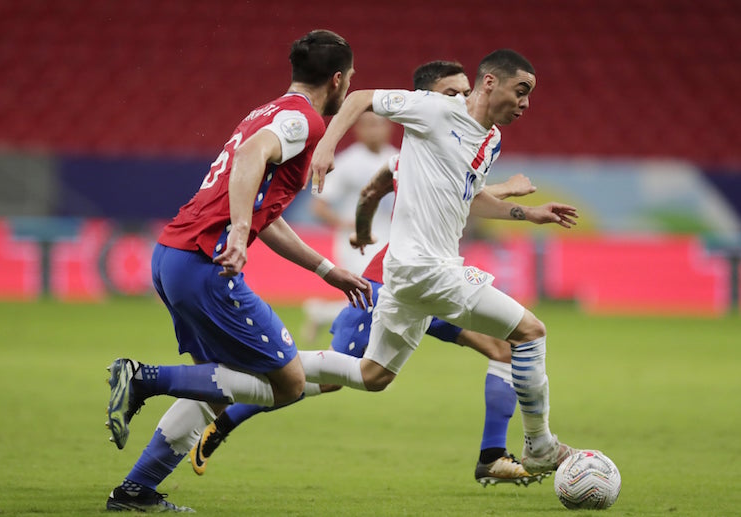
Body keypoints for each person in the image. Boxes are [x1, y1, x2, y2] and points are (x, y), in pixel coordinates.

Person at [188, 62, 549, 487]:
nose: (459, 99)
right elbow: (373, 191)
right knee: (336, 379)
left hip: (430, 278)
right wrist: (360, 236)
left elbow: (457, 194)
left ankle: (491, 456)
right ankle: (229, 410)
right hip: (390, 281)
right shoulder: (420, 140)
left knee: (505, 349)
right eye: (451, 92)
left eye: (463, 92)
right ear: (427, 97)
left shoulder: (463, 143)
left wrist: (514, 201)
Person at [103, 29, 371, 512]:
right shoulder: (301, 119)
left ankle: (136, 491)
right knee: (287, 384)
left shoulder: (265, 112)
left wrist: (326, 270)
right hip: (205, 262)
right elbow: (250, 160)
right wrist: (241, 232)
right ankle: (143, 378)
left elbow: (268, 214)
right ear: (337, 80)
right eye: (350, 79)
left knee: (219, 383)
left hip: (174, 256)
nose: (349, 88)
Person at [299, 48, 580, 476]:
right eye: (520, 91)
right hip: (426, 269)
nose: (525, 103)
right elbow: (360, 99)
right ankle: (539, 446)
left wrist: (530, 213)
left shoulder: (491, 141)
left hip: (411, 276)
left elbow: (471, 200)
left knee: (373, 374)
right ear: (490, 82)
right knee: (529, 333)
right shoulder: (433, 109)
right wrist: (325, 148)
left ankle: (264, 363)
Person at [302, 111, 398, 341]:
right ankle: (353, 346)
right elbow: (319, 206)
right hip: (355, 240)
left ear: (388, 128)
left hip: (389, 236)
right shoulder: (347, 162)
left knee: (383, 295)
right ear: (359, 130)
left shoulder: (397, 158)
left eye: (378, 125)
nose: (374, 130)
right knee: (372, 292)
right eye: (368, 125)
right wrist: (347, 223)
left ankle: (321, 313)